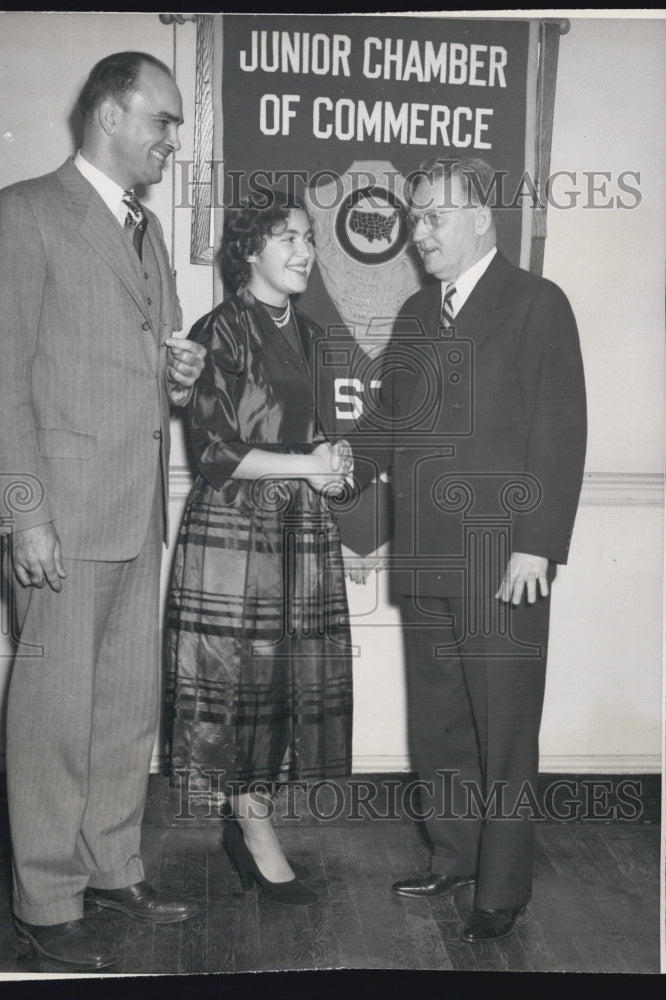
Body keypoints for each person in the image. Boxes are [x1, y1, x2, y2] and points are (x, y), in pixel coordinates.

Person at [0, 51, 207, 970]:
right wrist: (24, 513)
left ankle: (113, 866)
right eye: (164, 120)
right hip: (61, 518)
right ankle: (47, 897)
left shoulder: (144, 230)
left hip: (136, 512)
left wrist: (176, 375)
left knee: (122, 712)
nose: (172, 141)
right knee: (55, 714)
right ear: (112, 114)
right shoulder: (23, 214)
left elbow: (153, 363)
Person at [344, 157, 586, 942]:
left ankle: (502, 885)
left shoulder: (537, 304)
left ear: (482, 217)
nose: (419, 234)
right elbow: (385, 423)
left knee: (505, 728)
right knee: (441, 723)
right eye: (414, 219)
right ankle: (453, 855)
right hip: (426, 555)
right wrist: (329, 464)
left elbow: (560, 432)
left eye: (434, 217)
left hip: (502, 559)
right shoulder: (416, 315)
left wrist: (536, 548)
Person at [164, 192, 354, 905]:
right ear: (250, 252)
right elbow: (214, 451)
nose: (305, 251)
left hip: (294, 529)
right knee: (238, 686)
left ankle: (250, 819)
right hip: (235, 531)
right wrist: (308, 465)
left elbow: (306, 436)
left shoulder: (305, 331)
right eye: (288, 239)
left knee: (279, 686)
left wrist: (332, 465)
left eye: (308, 239)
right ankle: (253, 831)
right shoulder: (219, 328)